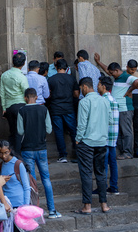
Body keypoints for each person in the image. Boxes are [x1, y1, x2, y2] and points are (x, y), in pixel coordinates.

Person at [17, 87, 60, 218]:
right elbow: (49, 129)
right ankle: (52, 210)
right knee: (46, 179)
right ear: (36, 97)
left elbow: (20, 131)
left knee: (32, 181)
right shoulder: (44, 109)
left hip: (27, 149)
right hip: (41, 148)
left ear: (25, 98)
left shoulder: (22, 111)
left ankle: (35, 211)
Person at [0, 141, 36, 232]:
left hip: (21, 208)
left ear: (10, 151)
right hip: (8, 208)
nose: (3, 155)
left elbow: (26, 187)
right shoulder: (0, 166)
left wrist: (25, 207)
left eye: (6, 152)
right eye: (0, 153)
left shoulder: (18, 164)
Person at [74, 77, 110, 215]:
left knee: (86, 174)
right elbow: (109, 120)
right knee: (101, 173)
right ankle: (104, 204)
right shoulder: (105, 101)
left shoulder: (84, 102)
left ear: (84, 87)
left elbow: (82, 124)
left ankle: (87, 206)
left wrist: (78, 139)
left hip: (87, 142)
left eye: (81, 89)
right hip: (101, 141)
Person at [94, 56, 138, 158]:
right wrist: (99, 62)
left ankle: (127, 152)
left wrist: (129, 91)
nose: (110, 75)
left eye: (112, 73)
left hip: (125, 109)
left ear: (116, 70)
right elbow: (107, 69)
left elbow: (137, 82)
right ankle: (121, 152)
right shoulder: (117, 77)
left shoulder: (126, 76)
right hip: (118, 109)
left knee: (126, 131)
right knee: (119, 131)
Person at [46, 59, 78, 162]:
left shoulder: (51, 79)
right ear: (67, 68)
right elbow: (76, 94)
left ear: (56, 67)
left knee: (59, 132)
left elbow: (48, 94)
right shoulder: (72, 79)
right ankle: (77, 153)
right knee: (73, 131)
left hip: (56, 108)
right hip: (69, 108)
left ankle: (63, 155)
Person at [0, 52, 29, 155]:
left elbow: (2, 93)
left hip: (8, 107)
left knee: (12, 132)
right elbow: (27, 93)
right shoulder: (22, 77)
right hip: (20, 106)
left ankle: (10, 153)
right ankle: (17, 155)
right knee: (19, 133)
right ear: (24, 63)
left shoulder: (4, 75)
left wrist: (4, 107)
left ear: (12, 62)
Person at [97, 75, 119, 194]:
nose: (97, 86)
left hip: (105, 136)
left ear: (104, 87)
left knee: (103, 164)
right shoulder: (113, 100)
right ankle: (114, 186)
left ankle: (103, 187)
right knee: (113, 163)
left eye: (99, 84)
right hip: (113, 136)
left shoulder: (103, 100)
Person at [126, 59, 138, 156]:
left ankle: (136, 149)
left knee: (137, 126)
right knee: (127, 127)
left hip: (137, 99)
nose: (133, 71)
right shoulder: (124, 76)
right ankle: (127, 150)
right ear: (127, 67)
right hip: (128, 99)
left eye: (134, 69)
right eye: (131, 69)